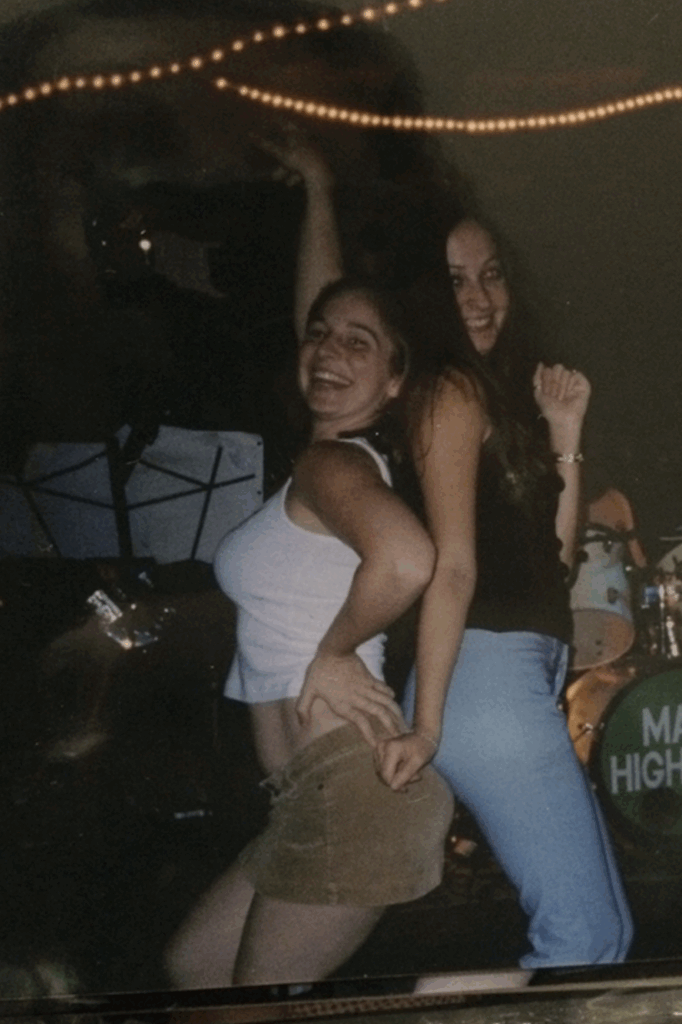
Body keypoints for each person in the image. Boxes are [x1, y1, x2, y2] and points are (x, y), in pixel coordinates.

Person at [164, 275, 453, 989]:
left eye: (359, 342)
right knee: (193, 969)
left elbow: (408, 560)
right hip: (305, 794)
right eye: (319, 333)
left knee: (252, 1005)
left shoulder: (333, 463)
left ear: (394, 382)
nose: (328, 350)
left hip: (349, 791)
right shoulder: (318, 471)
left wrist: (333, 651)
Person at [375, 214, 634, 984]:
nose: (480, 298)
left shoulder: (488, 394)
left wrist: (565, 432)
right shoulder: (450, 390)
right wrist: (427, 726)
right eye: (455, 281)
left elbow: (555, 561)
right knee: (584, 937)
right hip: (481, 679)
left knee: (604, 934)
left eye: (490, 275)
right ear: (425, 295)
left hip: (508, 675)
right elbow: (452, 568)